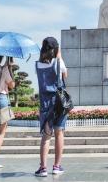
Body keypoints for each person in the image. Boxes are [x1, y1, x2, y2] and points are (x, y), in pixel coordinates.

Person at [34, 37, 68, 177]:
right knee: (59, 133)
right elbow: (65, 76)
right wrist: (59, 57)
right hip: (59, 103)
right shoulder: (58, 62)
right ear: (56, 49)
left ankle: (43, 168)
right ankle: (56, 166)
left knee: (46, 136)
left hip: (45, 104)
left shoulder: (37, 65)